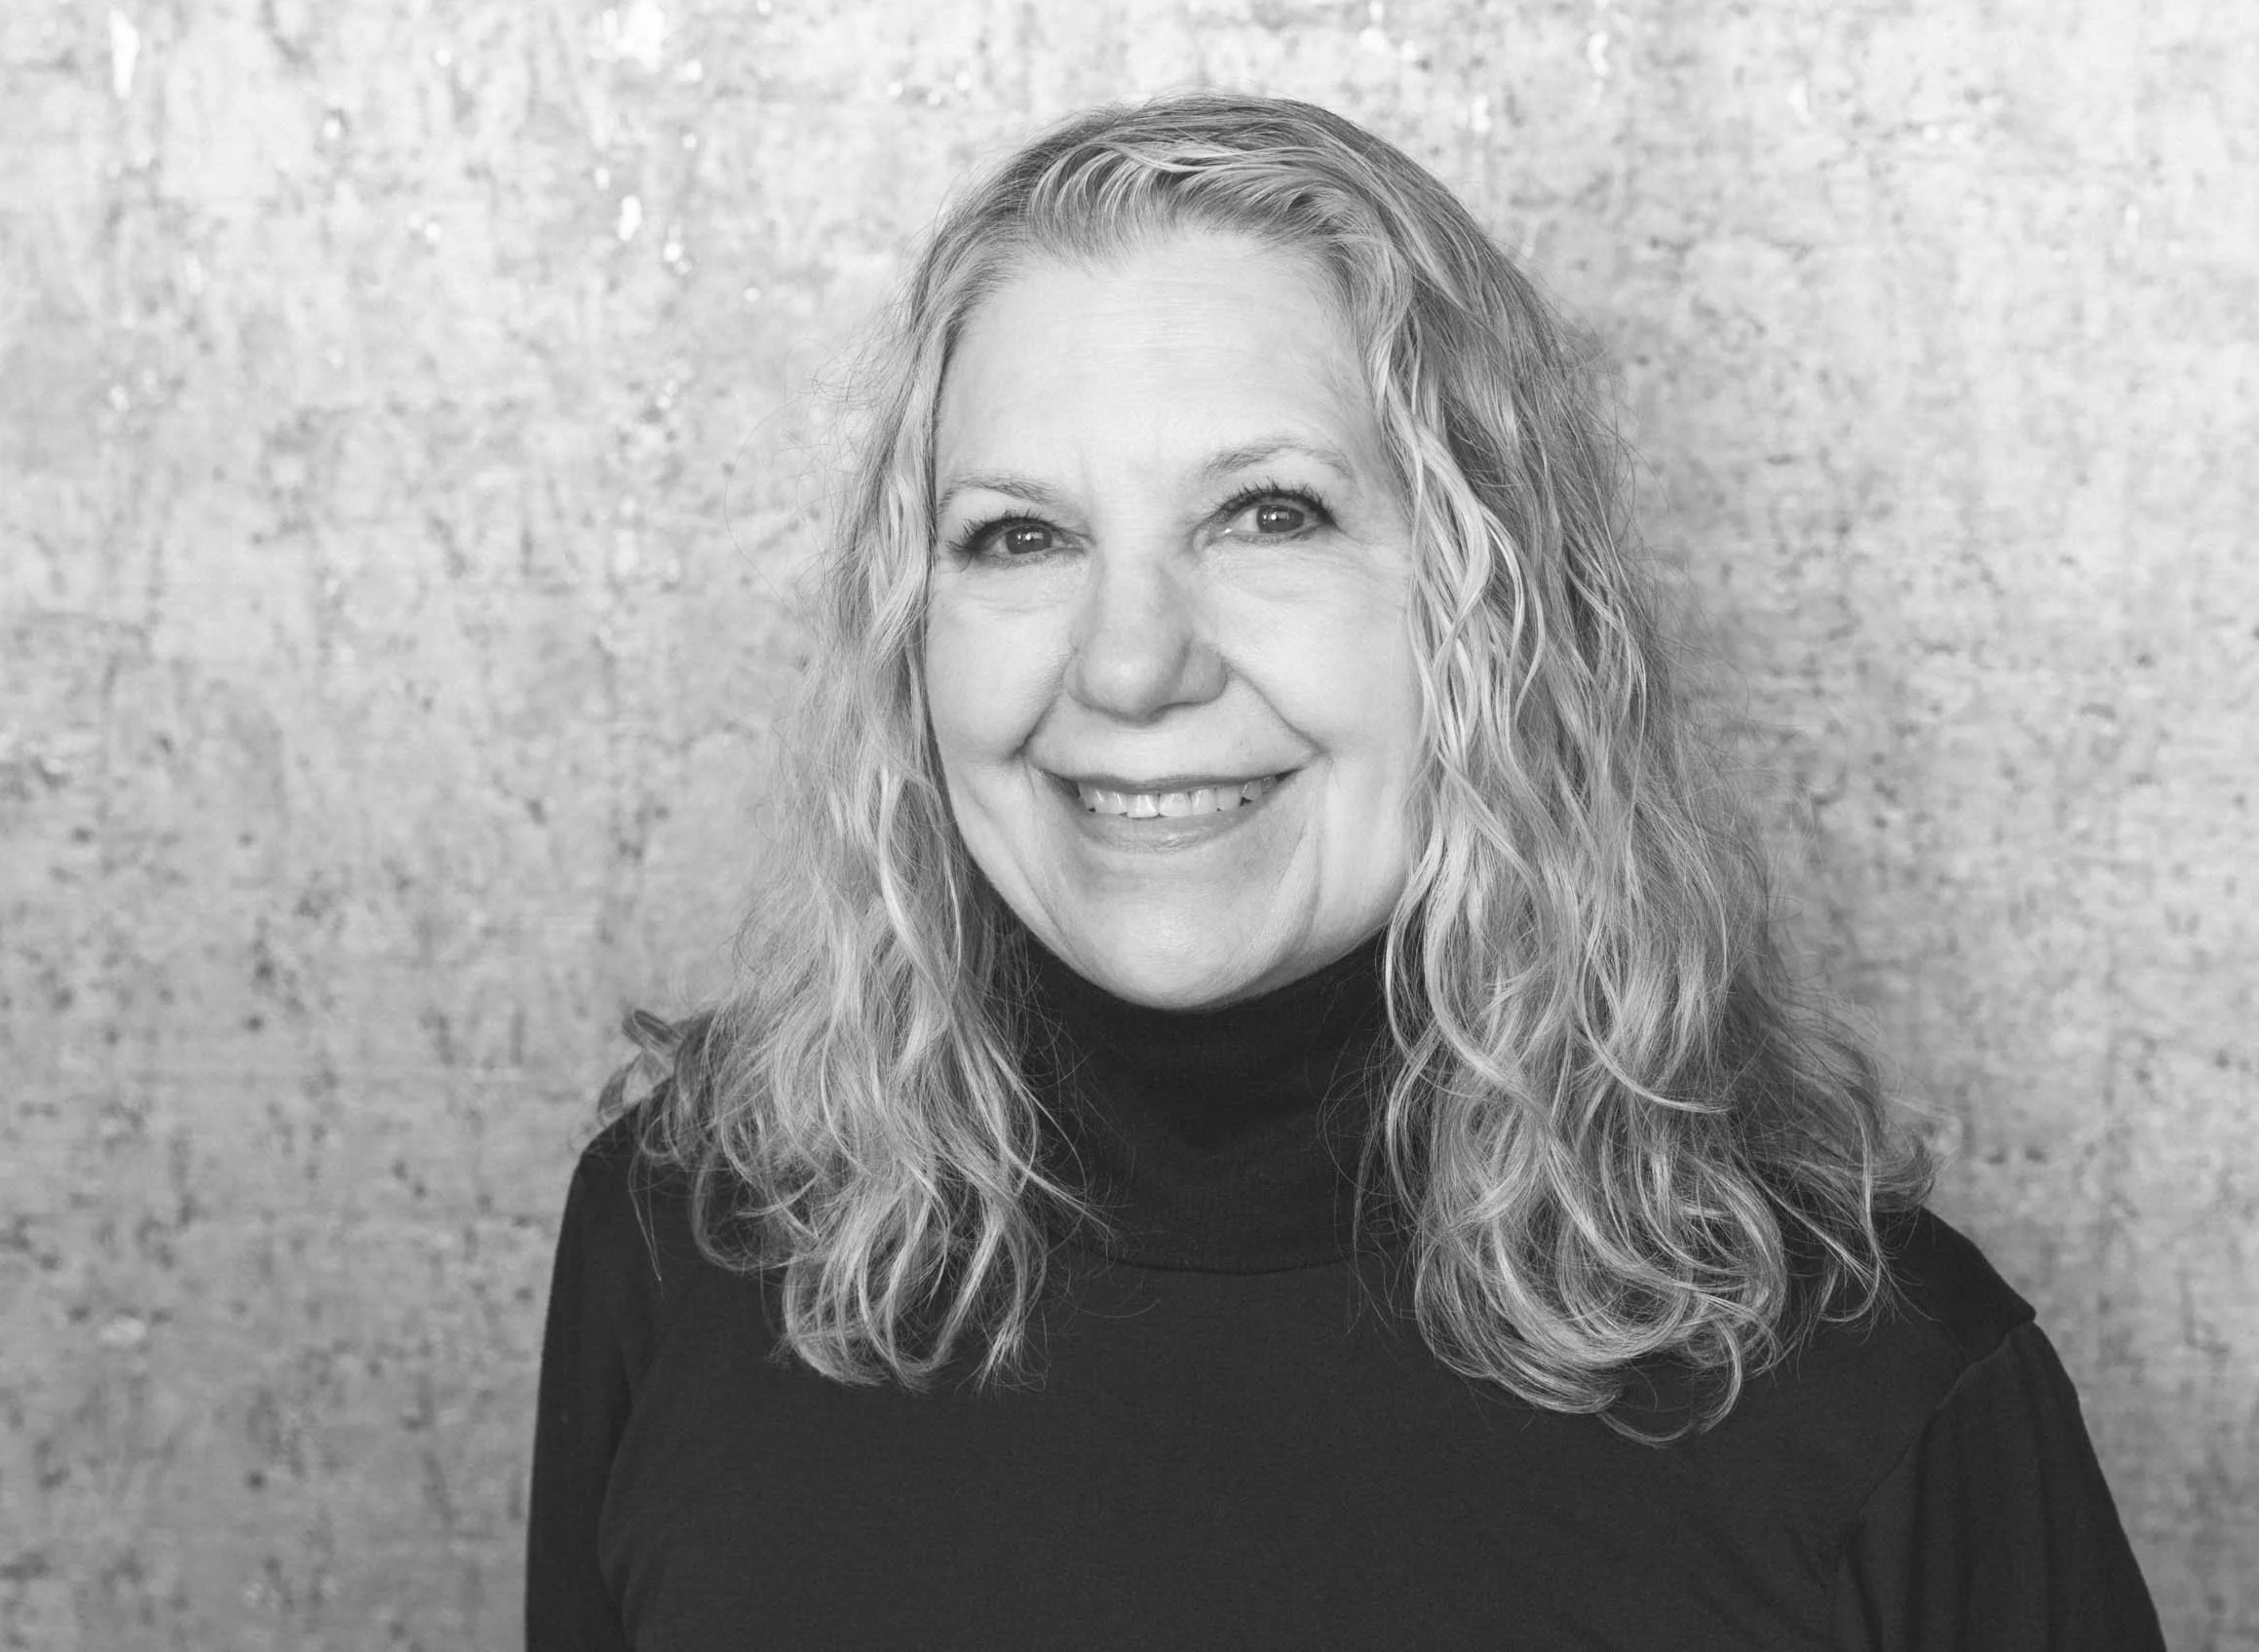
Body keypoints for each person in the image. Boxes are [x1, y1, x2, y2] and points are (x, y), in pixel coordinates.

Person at [526, 92, 2164, 1649]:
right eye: (1021, 535)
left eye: (1267, 515)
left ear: (1496, 616)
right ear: (912, 637)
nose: (1130, 663)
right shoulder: (690, 1237)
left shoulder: (1878, 1390)